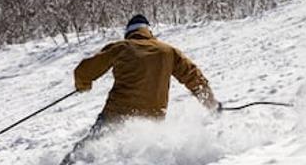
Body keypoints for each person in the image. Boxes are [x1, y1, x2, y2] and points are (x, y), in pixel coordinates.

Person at [60, 14, 219, 164]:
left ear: (128, 32)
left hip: (115, 117)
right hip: (152, 122)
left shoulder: (121, 47)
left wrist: (83, 85)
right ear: (149, 31)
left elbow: (84, 70)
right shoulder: (168, 52)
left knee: (81, 155)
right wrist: (211, 104)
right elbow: (194, 77)